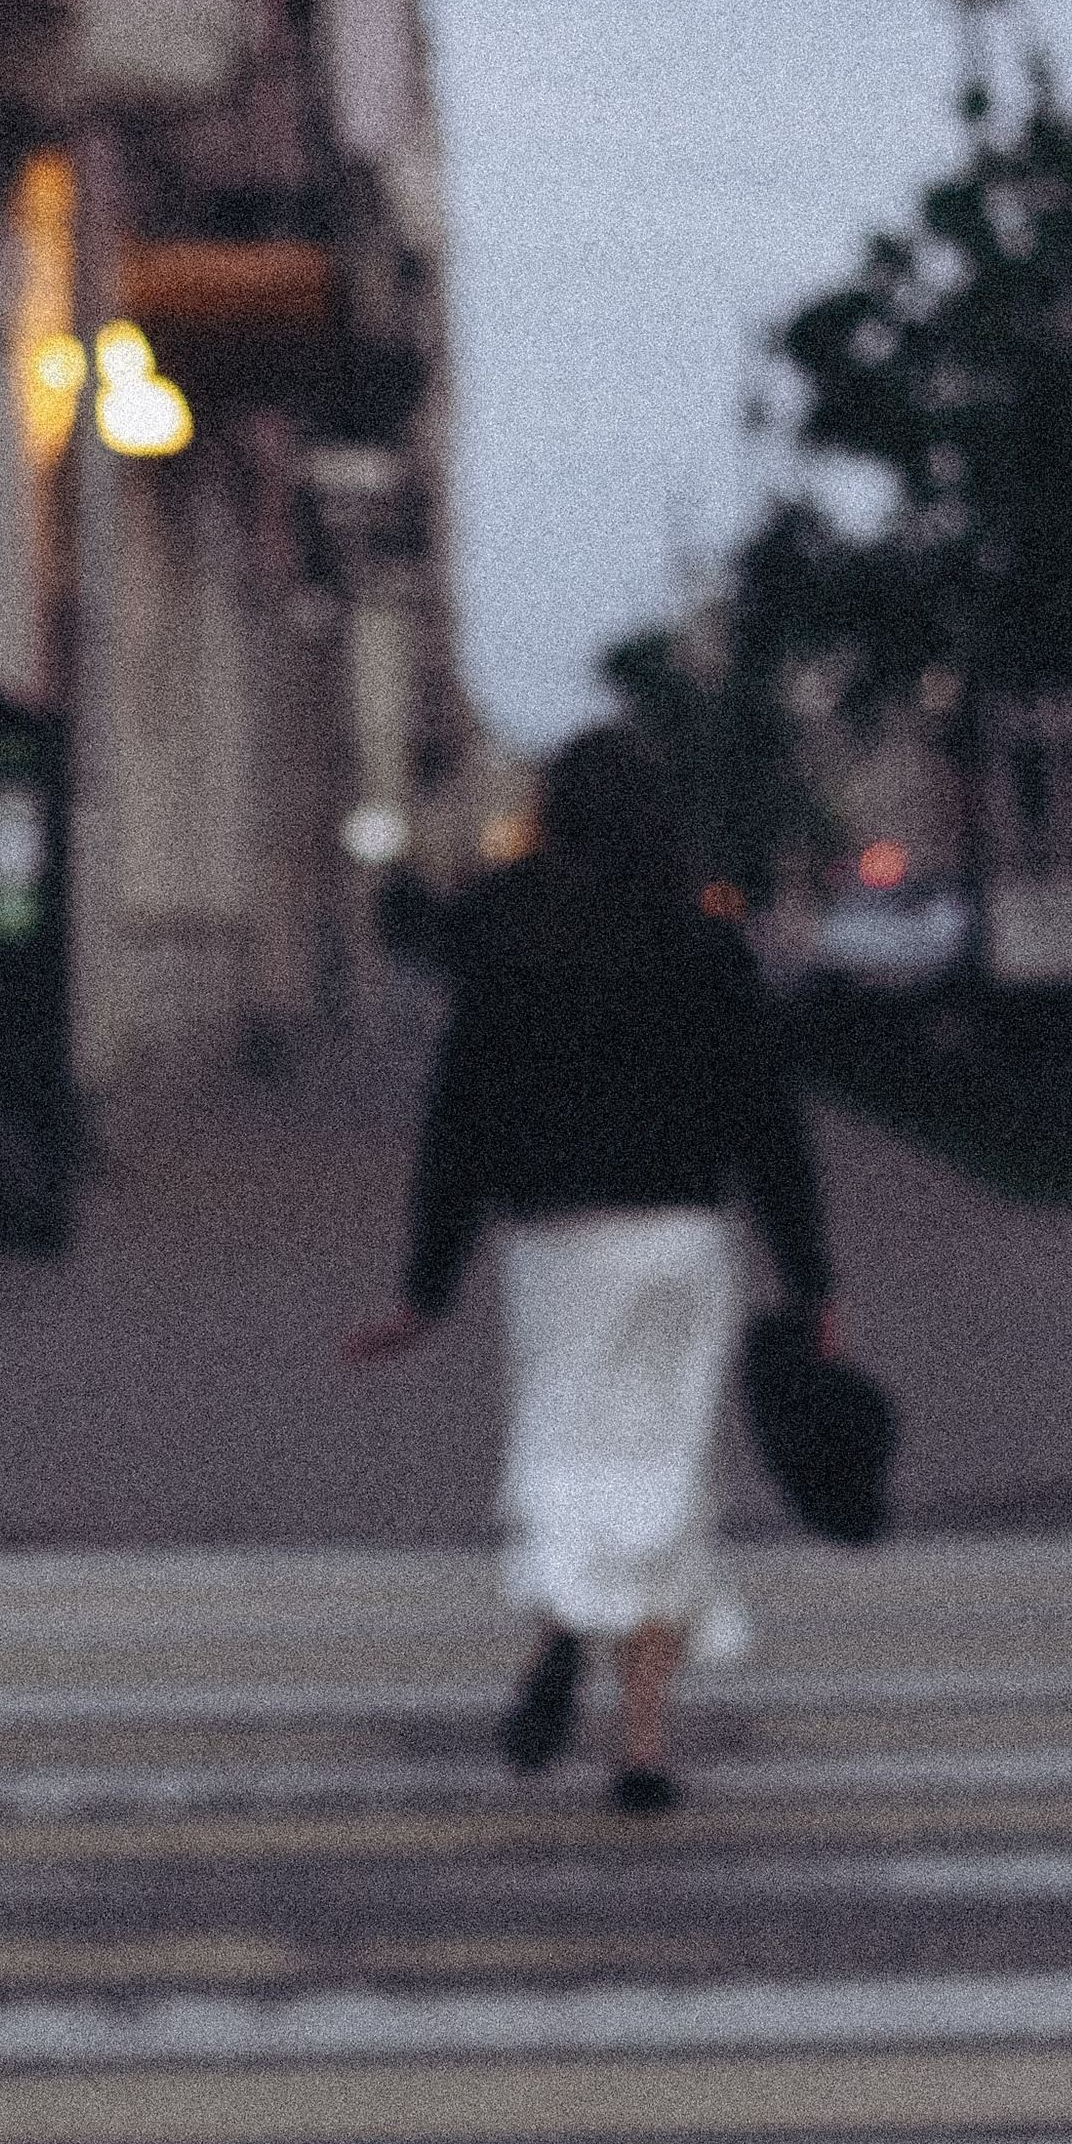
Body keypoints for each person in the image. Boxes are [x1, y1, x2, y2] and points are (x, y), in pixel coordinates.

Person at [342, 723, 836, 1813]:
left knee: (560, 1449)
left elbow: (458, 1124)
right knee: (668, 1471)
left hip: (557, 1249)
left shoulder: (509, 942)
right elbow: (768, 1124)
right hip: (679, 1244)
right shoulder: (702, 943)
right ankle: (643, 1743)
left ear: (554, 815)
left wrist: (425, 1290)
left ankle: (561, 1626)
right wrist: (812, 1281)